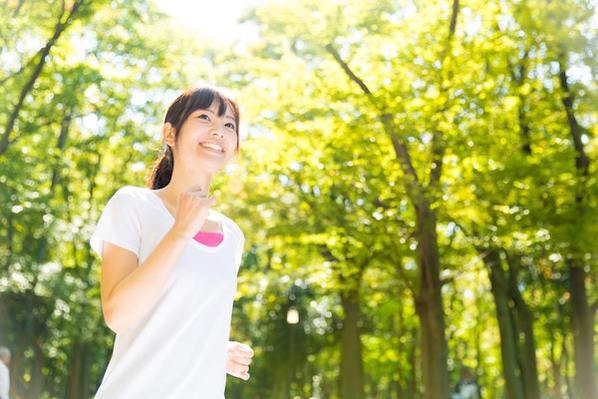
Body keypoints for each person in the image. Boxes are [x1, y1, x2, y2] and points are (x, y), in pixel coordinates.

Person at [89, 86, 254, 398]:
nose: (218, 130)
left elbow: (172, 317)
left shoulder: (232, 236)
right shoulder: (133, 205)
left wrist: (211, 349)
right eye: (204, 117)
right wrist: (179, 233)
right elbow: (118, 315)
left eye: (229, 124)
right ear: (170, 133)